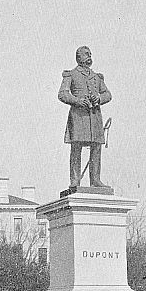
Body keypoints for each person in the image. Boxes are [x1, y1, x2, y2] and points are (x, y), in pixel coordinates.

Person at [58, 46, 112, 188]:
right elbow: (62, 94)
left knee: (96, 147)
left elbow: (108, 94)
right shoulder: (71, 75)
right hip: (78, 116)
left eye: (90, 54)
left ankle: (95, 180)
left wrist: (99, 98)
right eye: (86, 54)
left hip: (94, 117)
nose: (89, 56)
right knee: (77, 147)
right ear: (78, 57)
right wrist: (77, 100)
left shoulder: (96, 77)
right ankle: (75, 180)